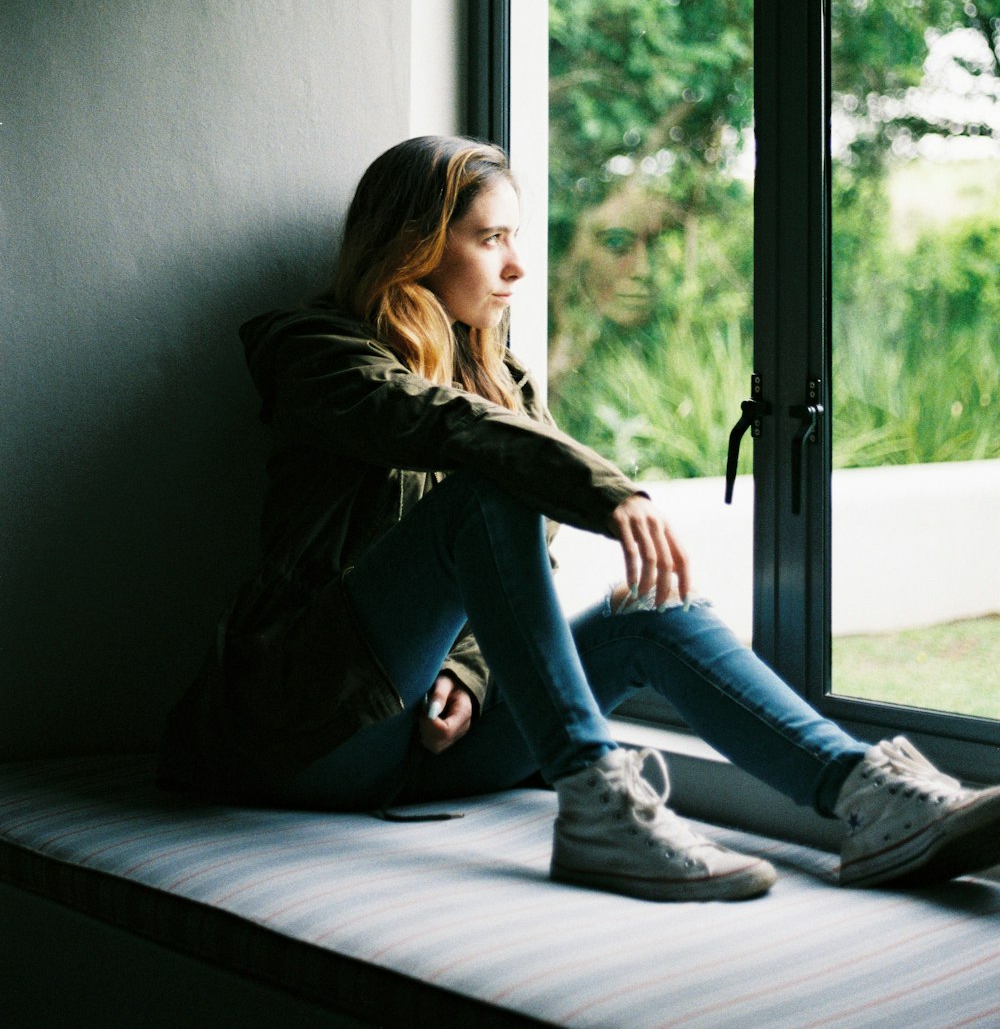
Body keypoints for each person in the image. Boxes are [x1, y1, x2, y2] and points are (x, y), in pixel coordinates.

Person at [158, 135, 1000, 903]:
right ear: (412, 244)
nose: (518, 267)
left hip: (437, 749)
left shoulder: (505, 384)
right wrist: (612, 493)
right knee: (489, 490)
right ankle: (594, 796)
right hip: (304, 728)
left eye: (516, 239)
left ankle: (869, 797)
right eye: (491, 239)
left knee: (653, 617)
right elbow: (438, 426)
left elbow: (505, 583)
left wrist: (471, 673)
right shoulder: (315, 354)